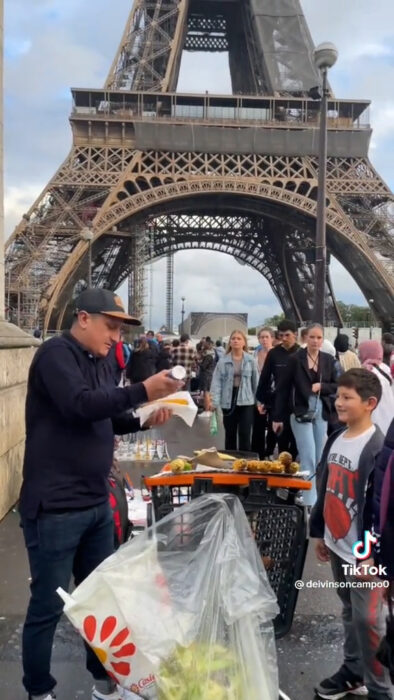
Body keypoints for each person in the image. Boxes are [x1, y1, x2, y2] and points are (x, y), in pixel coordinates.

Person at [19, 288, 183, 700]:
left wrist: (146, 419)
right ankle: (39, 691)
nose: (115, 337)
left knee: (102, 604)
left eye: (119, 329)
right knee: (48, 607)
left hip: (95, 502)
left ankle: (105, 683)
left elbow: (106, 417)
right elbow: (80, 404)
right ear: (83, 318)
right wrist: (144, 390)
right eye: (110, 326)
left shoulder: (105, 360)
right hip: (55, 506)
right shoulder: (55, 355)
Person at [310, 368, 392, 700]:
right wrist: (320, 532)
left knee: (370, 622)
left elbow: (377, 509)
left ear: (370, 403)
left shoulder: (375, 447)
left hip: (363, 554)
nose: (338, 402)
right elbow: (326, 486)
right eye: (338, 395)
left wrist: (370, 555)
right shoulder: (336, 437)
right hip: (339, 545)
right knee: (349, 611)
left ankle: (380, 690)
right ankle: (353, 670)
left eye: (347, 397)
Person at [273, 323, 337, 505]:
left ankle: (314, 496)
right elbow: (282, 388)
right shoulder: (295, 359)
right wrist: (277, 417)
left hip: (320, 410)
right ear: (304, 338)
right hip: (300, 411)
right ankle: (310, 502)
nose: (316, 341)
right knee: (308, 455)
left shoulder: (328, 359)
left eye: (319, 337)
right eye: (312, 337)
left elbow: (337, 385)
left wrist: (321, 386)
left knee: (319, 457)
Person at [256, 319, 300, 459]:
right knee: (281, 439)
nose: (284, 339)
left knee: (296, 442)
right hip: (278, 402)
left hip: (297, 403)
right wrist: (262, 400)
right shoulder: (274, 354)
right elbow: (264, 378)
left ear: (295, 334)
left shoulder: (302, 354)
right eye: (281, 336)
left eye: (287, 335)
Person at [210, 329, 258, 451]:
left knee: (245, 433)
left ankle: (245, 463)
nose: (236, 341)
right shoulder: (223, 361)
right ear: (230, 343)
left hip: (246, 400)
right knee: (230, 433)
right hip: (228, 399)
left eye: (239, 338)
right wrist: (214, 401)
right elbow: (216, 382)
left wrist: (259, 402)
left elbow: (256, 381)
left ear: (244, 343)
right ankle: (230, 462)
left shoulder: (250, 360)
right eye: (233, 339)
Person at [358, 340, 394, 435]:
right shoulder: (384, 367)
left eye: (360, 352)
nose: (358, 355)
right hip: (389, 414)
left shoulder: (368, 372)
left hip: (375, 418)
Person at [252, 327, 277, 459]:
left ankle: (270, 451)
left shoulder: (277, 354)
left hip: (274, 393)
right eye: (262, 337)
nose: (264, 340)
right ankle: (259, 452)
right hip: (259, 392)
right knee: (258, 424)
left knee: (273, 423)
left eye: (267, 337)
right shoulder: (254, 355)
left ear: (272, 338)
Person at [197, 338, 216, 415]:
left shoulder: (208, 356)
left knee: (206, 393)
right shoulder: (212, 353)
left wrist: (199, 363)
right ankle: (208, 408)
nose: (202, 347)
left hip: (206, 375)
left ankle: (207, 410)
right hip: (209, 374)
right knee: (207, 392)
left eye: (203, 346)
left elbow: (203, 366)